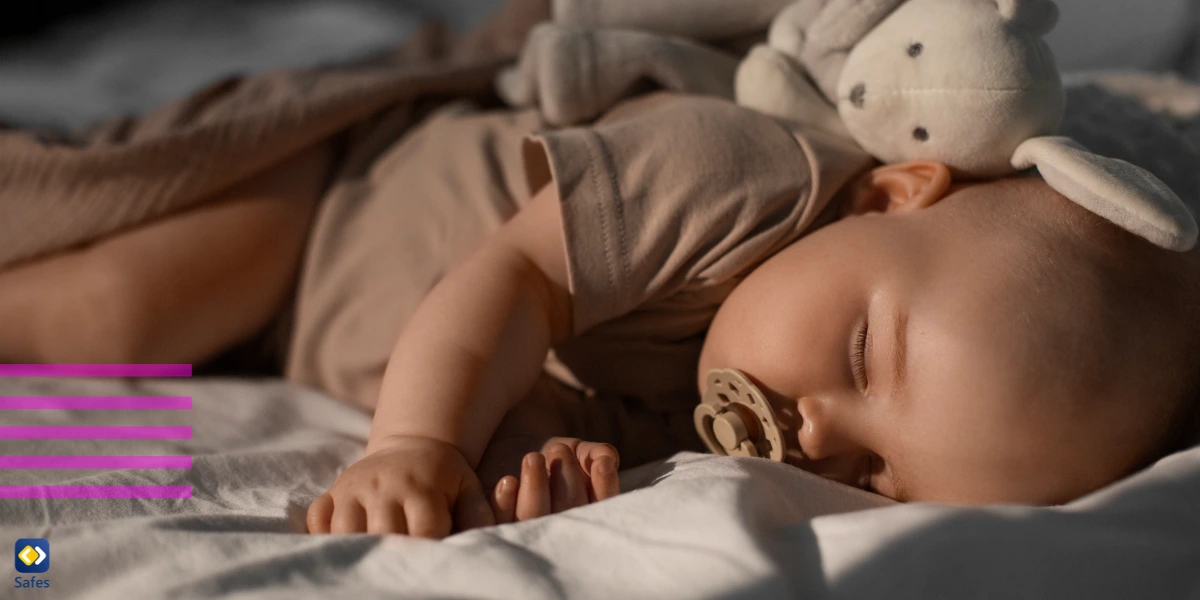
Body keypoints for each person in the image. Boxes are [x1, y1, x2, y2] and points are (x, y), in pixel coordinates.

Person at [2, 91, 1197, 538]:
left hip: (309, 336)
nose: (819, 435)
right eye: (859, 355)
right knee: (100, 323)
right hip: (325, 216)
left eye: (885, 475)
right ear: (888, 193)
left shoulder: (733, 437)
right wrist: (416, 444)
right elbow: (509, 289)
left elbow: (537, 393)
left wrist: (531, 465)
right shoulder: (737, 175)